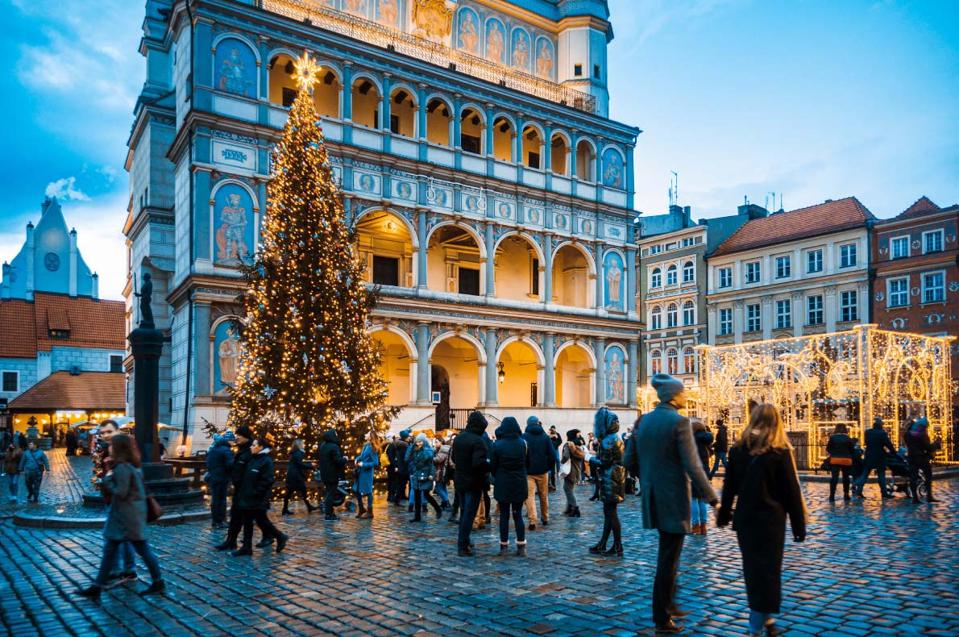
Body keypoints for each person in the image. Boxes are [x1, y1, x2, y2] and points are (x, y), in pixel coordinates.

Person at [637, 374, 718, 635]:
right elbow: (694, 466)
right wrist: (712, 497)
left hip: (652, 498)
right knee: (668, 559)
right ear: (673, 395)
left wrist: (649, 477)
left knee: (668, 555)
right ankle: (663, 615)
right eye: (682, 392)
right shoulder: (680, 423)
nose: (686, 396)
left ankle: (668, 604)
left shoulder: (645, 421)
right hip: (673, 499)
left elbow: (629, 459)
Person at [718, 404, 807, 637]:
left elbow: (729, 487)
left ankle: (763, 617)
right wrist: (799, 524)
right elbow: (791, 492)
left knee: (753, 569)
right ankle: (757, 623)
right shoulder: (779, 451)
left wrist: (724, 513)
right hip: (771, 521)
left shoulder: (738, 450)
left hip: (746, 519)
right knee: (768, 571)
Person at [76, 433, 164, 599]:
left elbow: (121, 492)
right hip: (128, 517)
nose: (109, 448)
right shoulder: (131, 465)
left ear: (118, 448)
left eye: (112, 445)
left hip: (125, 518)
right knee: (116, 551)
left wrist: (107, 478)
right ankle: (97, 587)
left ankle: (158, 582)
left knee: (140, 550)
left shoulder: (123, 467)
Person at [215, 426, 272, 550]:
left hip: (248, 491)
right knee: (236, 516)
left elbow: (257, 473)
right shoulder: (241, 449)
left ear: (246, 436)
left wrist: (254, 491)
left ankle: (272, 537)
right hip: (240, 489)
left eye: (239, 435)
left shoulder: (252, 451)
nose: (237, 437)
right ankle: (231, 541)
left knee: (254, 518)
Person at [232, 437, 288, 556]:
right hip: (248, 496)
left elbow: (267, 480)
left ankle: (280, 536)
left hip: (257, 498)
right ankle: (247, 547)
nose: (251, 447)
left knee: (261, 520)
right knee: (251, 521)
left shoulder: (265, 461)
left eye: (254, 445)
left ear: (261, 447)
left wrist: (256, 492)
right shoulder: (254, 459)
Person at [451, 411, 490, 556]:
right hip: (473, 482)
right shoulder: (478, 441)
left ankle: (465, 540)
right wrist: (488, 465)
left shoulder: (459, 438)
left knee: (464, 512)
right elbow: (478, 463)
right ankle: (462, 545)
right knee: (469, 514)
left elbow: (454, 458)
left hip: (460, 480)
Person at [588, 408, 626, 556]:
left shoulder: (608, 440)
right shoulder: (615, 437)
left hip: (611, 479)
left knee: (611, 513)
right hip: (616, 478)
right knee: (609, 513)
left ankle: (617, 545)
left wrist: (589, 458)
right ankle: (604, 543)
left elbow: (603, 462)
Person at [491, 417, 529, 556]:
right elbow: (527, 463)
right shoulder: (523, 443)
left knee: (504, 515)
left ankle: (504, 546)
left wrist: (498, 475)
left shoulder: (497, 444)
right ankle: (521, 545)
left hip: (503, 481)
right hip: (519, 481)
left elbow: (493, 467)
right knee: (518, 514)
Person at [523, 416, 559, 530]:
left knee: (530, 497)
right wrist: (548, 466)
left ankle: (532, 520)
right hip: (543, 472)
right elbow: (553, 455)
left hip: (529, 472)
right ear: (538, 423)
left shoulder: (524, 437)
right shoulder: (545, 437)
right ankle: (545, 517)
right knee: (544, 496)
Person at [853, 417, 896, 499]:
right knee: (881, 475)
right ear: (881, 425)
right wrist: (893, 452)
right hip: (879, 456)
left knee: (865, 474)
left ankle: (858, 490)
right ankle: (884, 492)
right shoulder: (882, 433)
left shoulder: (868, 432)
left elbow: (866, 442)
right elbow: (888, 444)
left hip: (869, 455)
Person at [408, 434, 442, 521]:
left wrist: (431, 474)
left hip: (426, 475)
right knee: (417, 495)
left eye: (420, 441)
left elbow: (431, 465)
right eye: (417, 441)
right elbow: (407, 458)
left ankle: (438, 509)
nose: (418, 443)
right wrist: (411, 447)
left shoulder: (428, 451)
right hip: (416, 474)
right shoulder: (414, 450)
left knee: (426, 495)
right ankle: (417, 517)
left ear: (424, 442)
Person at [905, 417, 938, 503]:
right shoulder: (922, 434)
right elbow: (927, 447)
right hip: (921, 458)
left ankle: (915, 498)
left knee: (913, 477)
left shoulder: (908, 433)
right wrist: (935, 444)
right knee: (928, 475)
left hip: (912, 457)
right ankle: (929, 496)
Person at [206, 431, 235, 528]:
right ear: (229, 441)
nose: (234, 443)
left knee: (215, 500)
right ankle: (220, 521)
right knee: (221, 500)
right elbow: (230, 464)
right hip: (222, 478)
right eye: (233, 441)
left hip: (213, 477)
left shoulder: (214, 448)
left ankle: (215, 521)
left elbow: (208, 463)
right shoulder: (226, 450)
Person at [317, 429, 347, 520]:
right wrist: (345, 459)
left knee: (329, 492)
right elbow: (338, 461)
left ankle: (329, 512)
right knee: (331, 493)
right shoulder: (334, 446)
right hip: (332, 474)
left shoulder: (323, 445)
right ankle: (329, 514)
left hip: (324, 474)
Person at [690, 419, 714, 536]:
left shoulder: (691, 441)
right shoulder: (706, 441)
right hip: (704, 473)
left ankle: (695, 526)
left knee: (694, 499)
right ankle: (704, 526)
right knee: (702, 500)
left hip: (694, 473)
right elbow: (711, 453)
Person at [282, 438, 317, 515]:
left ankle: (285, 509)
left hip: (292, 475)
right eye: (302, 443)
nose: (304, 445)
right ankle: (308, 507)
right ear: (299, 445)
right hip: (295, 476)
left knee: (290, 493)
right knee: (301, 491)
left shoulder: (294, 452)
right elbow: (300, 464)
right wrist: (311, 465)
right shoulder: (298, 453)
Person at [825, 423, 855, 502]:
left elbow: (828, 449)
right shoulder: (848, 438)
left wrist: (834, 452)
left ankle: (832, 495)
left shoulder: (832, 438)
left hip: (835, 459)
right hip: (846, 460)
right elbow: (852, 450)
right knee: (846, 478)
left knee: (834, 478)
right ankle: (846, 494)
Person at [354, 432, 379, 518]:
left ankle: (370, 511)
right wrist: (357, 459)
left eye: (367, 434)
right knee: (356, 490)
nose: (365, 435)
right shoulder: (366, 445)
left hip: (367, 473)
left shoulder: (372, 447)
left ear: (370, 437)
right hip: (361, 471)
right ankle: (361, 509)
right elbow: (362, 456)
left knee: (368, 492)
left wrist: (364, 464)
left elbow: (375, 462)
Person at [560, 429, 585, 517]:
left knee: (567, 489)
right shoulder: (579, 445)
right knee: (569, 489)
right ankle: (569, 508)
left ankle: (575, 508)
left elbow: (566, 456)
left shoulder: (569, 445)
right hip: (577, 470)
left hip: (570, 470)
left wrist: (562, 462)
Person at [433, 436, 452, 509]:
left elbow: (438, 460)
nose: (435, 444)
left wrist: (430, 458)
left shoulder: (443, 449)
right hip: (441, 471)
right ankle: (444, 503)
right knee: (443, 487)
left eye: (436, 442)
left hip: (441, 472)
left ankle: (446, 502)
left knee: (438, 488)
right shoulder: (440, 449)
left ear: (441, 442)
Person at [547, 425, 562, 491]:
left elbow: (560, 441)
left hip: (554, 450)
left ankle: (552, 484)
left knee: (557, 460)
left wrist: (556, 444)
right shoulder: (548, 436)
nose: (552, 431)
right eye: (551, 430)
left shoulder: (557, 434)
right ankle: (550, 484)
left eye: (552, 429)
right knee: (550, 471)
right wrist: (551, 436)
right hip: (549, 452)